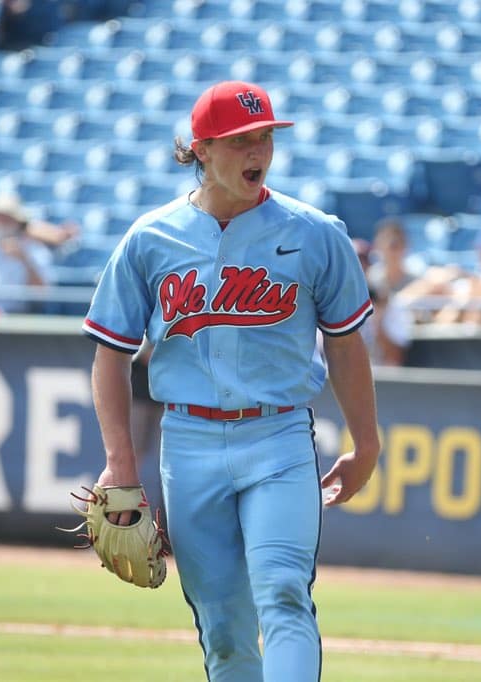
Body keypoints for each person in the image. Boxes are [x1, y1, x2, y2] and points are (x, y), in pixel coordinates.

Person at [81, 80, 380, 682]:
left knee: (284, 592)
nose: (258, 152)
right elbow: (109, 353)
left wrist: (366, 444)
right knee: (223, 631)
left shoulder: (316, 232)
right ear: (201, 149)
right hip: (187, 445)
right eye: (241, 140)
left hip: (279, 439)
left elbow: (347, 347)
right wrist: (119, 462)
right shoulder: (150, 238)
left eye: (265, 136)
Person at [354, 238, 413, 366]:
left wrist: (378, 322)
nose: (358, 267)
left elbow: (395, 356)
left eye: (362, 261)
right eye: (352, 262)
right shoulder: (329, 304)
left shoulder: (392, 305)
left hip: (381, 379)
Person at [366, 218, 415, 297]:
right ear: (377, 246)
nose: (394, 252)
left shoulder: (416, 278)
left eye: (399, 244)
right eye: (392, 246)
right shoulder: (372, 278)